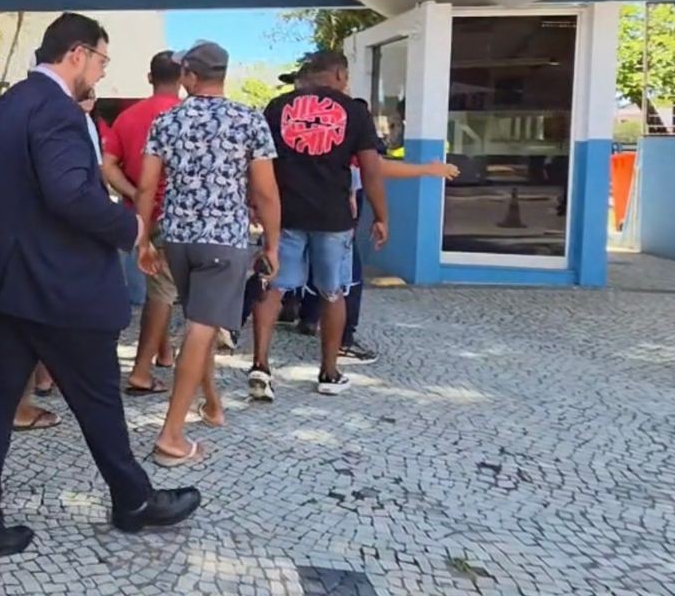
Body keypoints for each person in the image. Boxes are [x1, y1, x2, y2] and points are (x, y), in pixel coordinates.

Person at [0, 12, 201, 573]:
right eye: (101, 60)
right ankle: (134, 501)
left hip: (5, 282)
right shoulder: (59, 112)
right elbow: (68, 193)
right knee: (97, 399)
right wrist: (127, 228)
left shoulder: (3, 109)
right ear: (76, 54)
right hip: (58, 286)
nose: (101, 72)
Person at [135, 42, 280, 467]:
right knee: (201, 328)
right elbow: (266, 192)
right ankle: (171, 436)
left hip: (177, 238)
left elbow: (147, 187)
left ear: (190, 77)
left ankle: (212, 404)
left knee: (202, 319)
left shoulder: (167, 120)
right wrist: (272, 242)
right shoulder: (249, 120)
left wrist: (142, 238)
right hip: (224, 241)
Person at [251, 51, 389, 400]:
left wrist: (255, 204)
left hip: (285, 214)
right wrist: (382, 215)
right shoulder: (354, 111)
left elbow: (259, 162)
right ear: (339, 74)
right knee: (333, 292)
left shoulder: (277, 107)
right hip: (333, 218)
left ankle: (261, 366)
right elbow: (371, 169)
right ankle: (328, 372)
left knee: (273, 287)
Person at [295, 98, 458, 363]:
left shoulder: (315, 136)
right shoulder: (349, 139)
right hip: (337, 220)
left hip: (305, 212)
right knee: (346, 278)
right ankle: (343, 341)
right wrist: (428, 169)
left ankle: (302, 317)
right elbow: (377, 168)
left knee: (299, 269)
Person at [103, 51, 184, 395]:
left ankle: (163, 353)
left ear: (149, 78)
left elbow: (107, 166)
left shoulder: (128, 117)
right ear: (182, 78)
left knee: (155, 287)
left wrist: (135, 194)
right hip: (171, 213)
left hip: (134, 215)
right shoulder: (184, 117)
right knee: (163, 292)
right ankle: (140, 371)